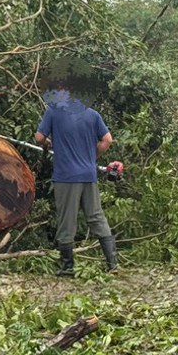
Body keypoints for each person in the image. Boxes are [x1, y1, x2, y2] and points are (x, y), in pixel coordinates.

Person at [34, 89, 118, 275]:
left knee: (67, 220)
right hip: (89, 174)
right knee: (96, 216)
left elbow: (39, 137)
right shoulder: (92, 114)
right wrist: (91, 157)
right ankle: (112, 264)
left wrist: (48, 143)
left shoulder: (54, 112)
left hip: (66, 176)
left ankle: (68, 267)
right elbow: (107, 140)